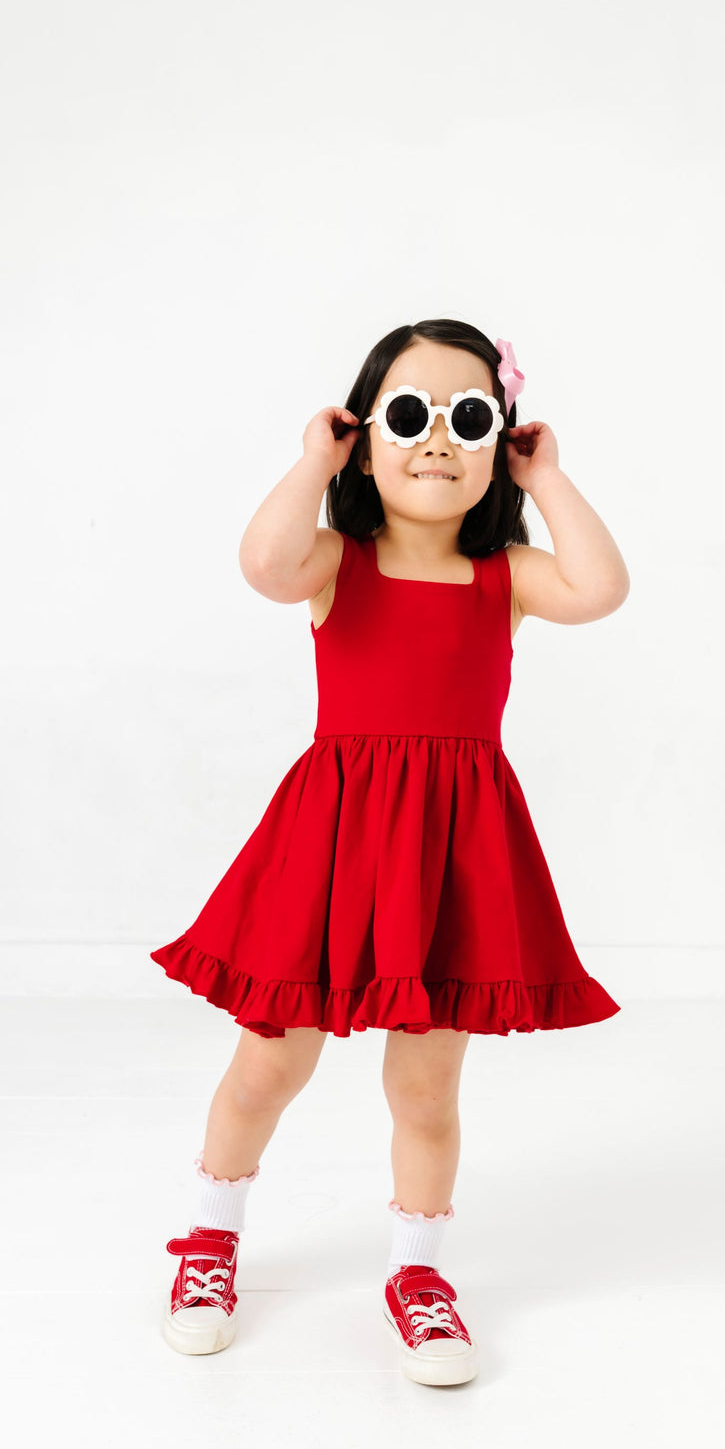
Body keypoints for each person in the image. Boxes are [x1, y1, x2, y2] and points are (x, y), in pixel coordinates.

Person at [152, 317, 629, 1385]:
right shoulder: (340, 563)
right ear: (364, 440)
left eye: (471, 420)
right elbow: (264, 563)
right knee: (268, 1063)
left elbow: (600, 588)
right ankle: (209, 1239)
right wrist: (309, 464)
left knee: (426, 1088)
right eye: (410, 415)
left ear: (500, 443)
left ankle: (418, 1272)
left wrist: (549, 479)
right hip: (332, 844)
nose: (438, 439)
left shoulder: (506, 576)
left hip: (452, 855)